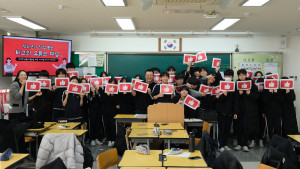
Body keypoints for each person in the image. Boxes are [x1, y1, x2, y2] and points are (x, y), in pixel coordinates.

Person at [234, 69, 259, 152]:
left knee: (246, 127)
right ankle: (239, 144)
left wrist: (249, 93)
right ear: (238, 76)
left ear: (246, 75)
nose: (241, 77)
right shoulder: (236, 84)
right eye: (240, 75)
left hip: (248, 110)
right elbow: (233, 99)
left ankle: (245, 144)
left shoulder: (251, 83)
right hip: (239, 110)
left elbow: (257, 97)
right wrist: (238, 94)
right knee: (239, 127)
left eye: (243, 75)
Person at [215, 69, 235, 152]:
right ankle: (220, 145)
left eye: (229, 76)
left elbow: (235, 100)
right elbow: (218, 99)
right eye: (226, 76)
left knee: (227, 129)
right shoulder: (220, 84)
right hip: (222, 111)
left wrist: (234, 112)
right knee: (221, 129)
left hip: (230, 111)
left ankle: (225, 144)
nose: (228, 77)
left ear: (232, 77)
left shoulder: (234, 85)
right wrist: (224, 94)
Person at [100, 78, 119, 147]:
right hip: (105, 112)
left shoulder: (116, 91)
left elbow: (116, 102)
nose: (112, 85)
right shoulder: (104, 90)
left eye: (114, 83)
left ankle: (113, 140)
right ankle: (109, 140)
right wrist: (107, 95)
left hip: (113, 112)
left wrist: (112, 95)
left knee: (113, 126)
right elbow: (101, 101)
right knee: (106, 126)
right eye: (111, 83)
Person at [89, 81, 104, 146]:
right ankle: (92, 139)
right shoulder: (89, 92)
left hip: (99, 110)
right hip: (91, 111)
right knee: (92, 125)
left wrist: (97, 92)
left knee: (98, 124)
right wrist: (93, 93)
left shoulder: (100, 91)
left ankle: (97, 139)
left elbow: (101, 100)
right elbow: (90, 100)